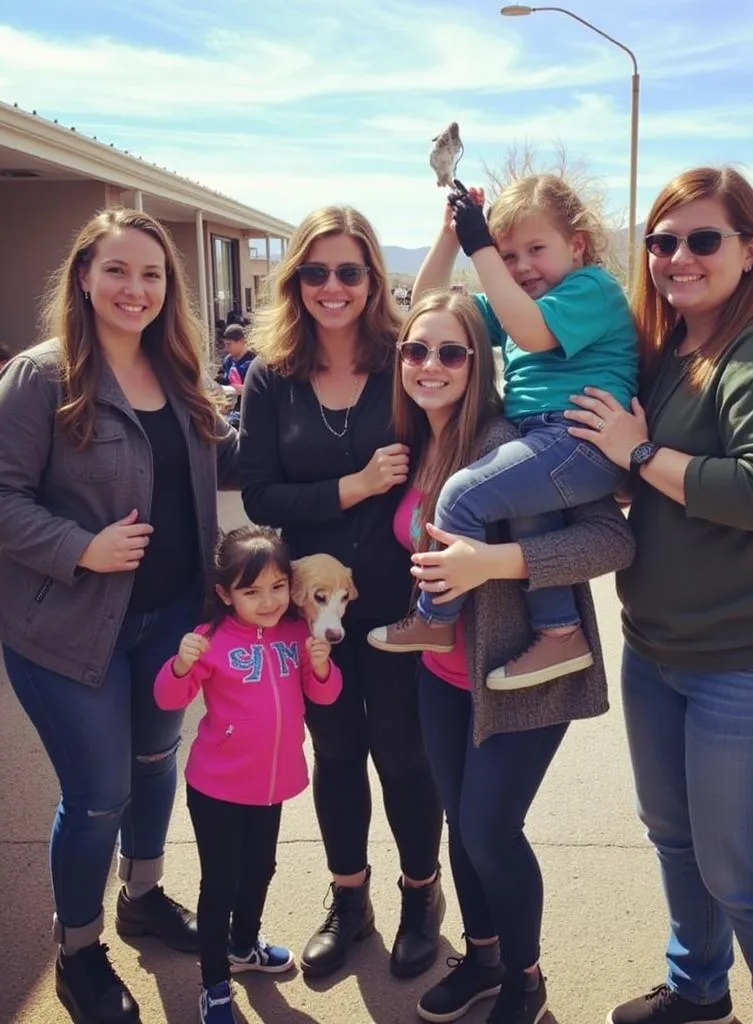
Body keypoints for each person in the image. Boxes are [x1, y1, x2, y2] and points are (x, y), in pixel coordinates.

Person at [565, 166, 753, 1024]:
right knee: (678, 840)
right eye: (663, 240)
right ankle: (698, 992)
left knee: (746, 874)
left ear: (750, 249)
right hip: (663, 647)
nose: (678, 257)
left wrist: (635, 454)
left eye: (703, 239)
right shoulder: (673, 350)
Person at [0, 208, 239, 1024]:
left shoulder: (181, 372)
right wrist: (81, 547)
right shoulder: (42, 376)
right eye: (117, 270)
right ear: (84, 276)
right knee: (97, 796)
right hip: (63, 629)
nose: (135, 288)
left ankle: (143, 897)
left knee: (155, 766)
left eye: (151, 274)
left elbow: (225, 456)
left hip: (166, 624)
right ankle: (79, 949)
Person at [370, 290, 634, 1024]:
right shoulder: (409, 443)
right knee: (462, 823)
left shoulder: (511, 439)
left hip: (522, 670)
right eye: (416, 350)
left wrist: (498, 562)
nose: (431, 365)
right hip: (440, 676)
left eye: (451, 352)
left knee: (490, 829)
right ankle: (482, 957)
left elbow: (612, 540)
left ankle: (525, 978)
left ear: (478, 363)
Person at [240, 205, 445, 981]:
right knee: (335, 753)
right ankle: (349, 901)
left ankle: (421, 896)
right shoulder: (272, 377)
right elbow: (260, 495)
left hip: (398, 606)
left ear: (371, 280)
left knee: (402, 753)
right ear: (297, 280)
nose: (334, 286)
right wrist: (354, 487)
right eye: (317, 271)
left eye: (350, 271)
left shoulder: (405, 360)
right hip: (314, 617)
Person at [371, 174, 638, 690]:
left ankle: (436, 618)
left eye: (536, 249)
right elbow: (428, 311)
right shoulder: (515, 305)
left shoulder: (592, 288)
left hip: (579, 438)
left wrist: (483, 246)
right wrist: (452, 236)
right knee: (527, 517)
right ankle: (561, 632)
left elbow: (533, 332)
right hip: (544, 439)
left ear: (577, 245)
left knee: (461, 494)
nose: (520, 267)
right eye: (508, 255)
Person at [154, 525, 342, 1024]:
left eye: (278, 587)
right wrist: (178, 666)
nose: (268, 601)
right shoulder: (208, 639)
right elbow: (169, 700)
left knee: (260, 870)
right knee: (220, 884)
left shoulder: (298, 635)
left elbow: (323, 697)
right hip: (216, 787)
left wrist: (322, 668)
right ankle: (215, 984)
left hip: (271, 787)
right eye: (251, 591)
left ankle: (243, 946)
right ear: (224, 593)